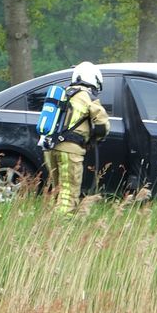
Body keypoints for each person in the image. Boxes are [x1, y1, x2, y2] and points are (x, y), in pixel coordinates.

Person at [43, 61, 111, 214]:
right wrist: (95, 138)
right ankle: (61, 225)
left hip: (50, 148)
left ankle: (47, 222)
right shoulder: (87, 96)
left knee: (58, 189)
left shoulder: (65, 93)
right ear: (94, 79)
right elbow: (102, 125)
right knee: (69, 192)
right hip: (70, 150)